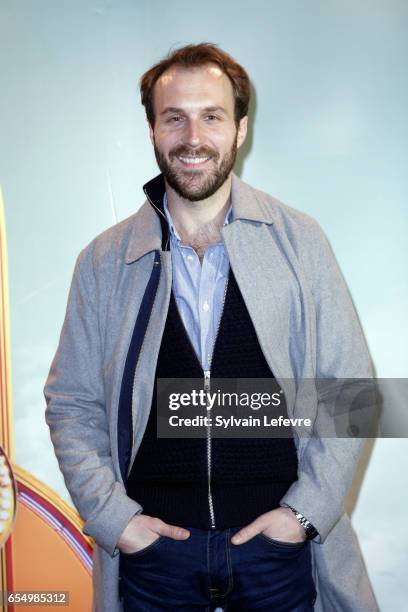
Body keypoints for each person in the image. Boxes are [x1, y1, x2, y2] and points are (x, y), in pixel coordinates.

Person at [44, 43, 378, 611]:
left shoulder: (300, 242)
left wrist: (303, 515)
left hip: (276, 554)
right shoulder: (102, 261)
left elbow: (349, 392)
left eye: (212, 116)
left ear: (240, 129)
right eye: (174, 117)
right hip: (153, 560)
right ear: (152, 130)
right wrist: (114, 519)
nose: (192, 137)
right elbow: (71, 403)